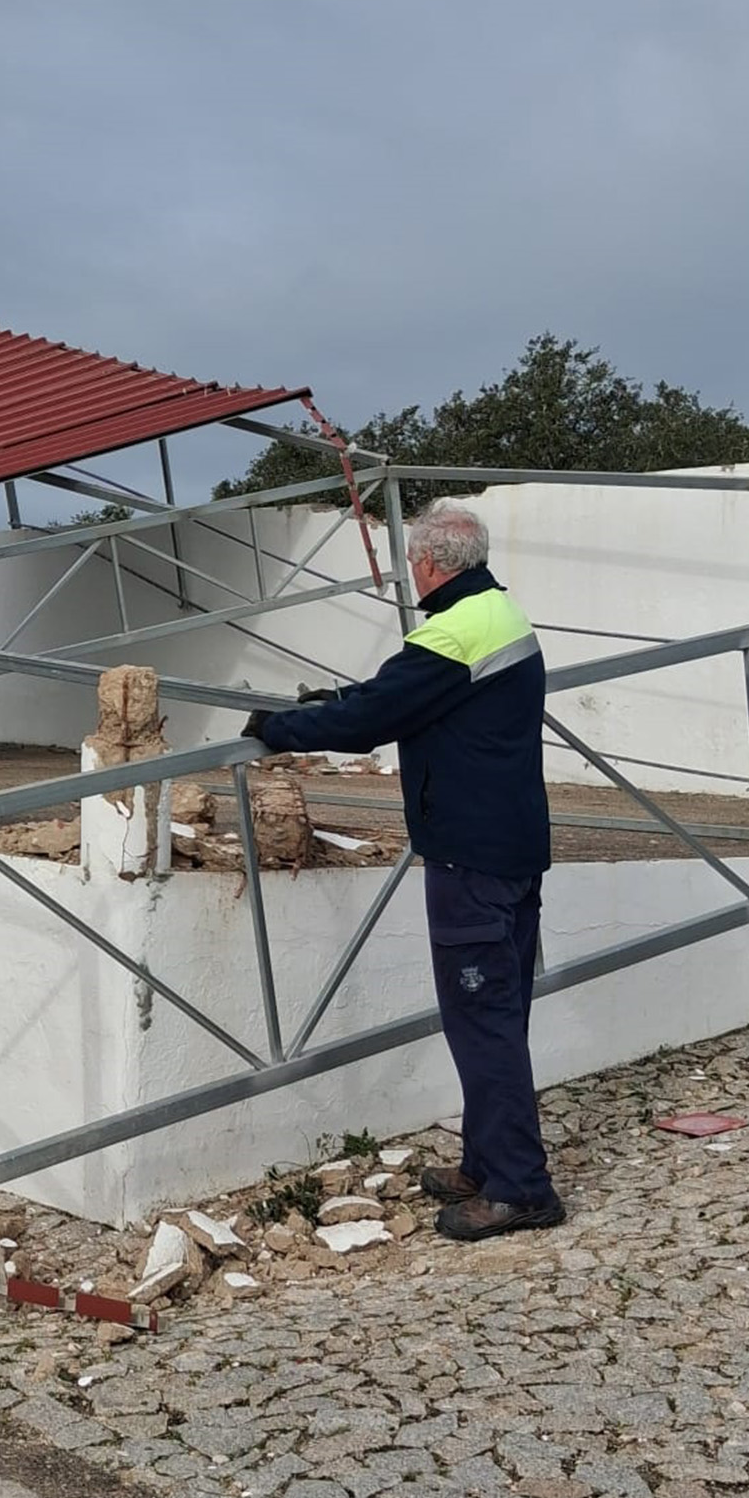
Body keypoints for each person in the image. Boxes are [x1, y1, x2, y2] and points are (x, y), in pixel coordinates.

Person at [243, 500, 562, 1242]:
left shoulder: (451, 632)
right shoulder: (497, 613)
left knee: (481, 1023)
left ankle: (521, 1187)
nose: (408, 573)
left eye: (410, 562)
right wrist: (342, 701)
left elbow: (373, 718)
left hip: (470, 857)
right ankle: (486, 1163)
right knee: (499, 1014)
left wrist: (281, 727)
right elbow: (406, 696)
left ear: (428, 564)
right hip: (513, 845)